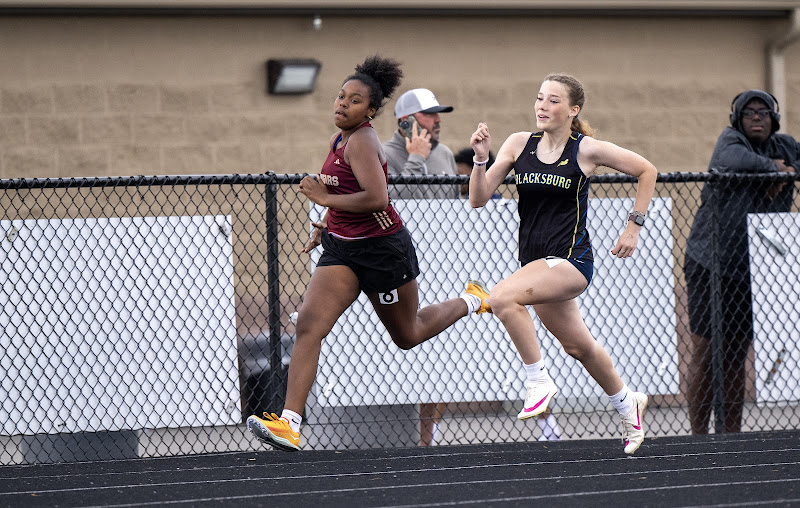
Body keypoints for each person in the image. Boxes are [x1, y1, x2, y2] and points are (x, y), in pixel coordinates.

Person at [246, 55, 491, 452]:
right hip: (342, 250)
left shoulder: (362, 140)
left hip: (382, 251)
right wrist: (328, 222)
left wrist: (324, 198)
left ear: (371, 112)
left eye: (355, 100)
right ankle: (289, 423)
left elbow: (377, 198)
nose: (343, 103)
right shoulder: (339, 139)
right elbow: (345, 190)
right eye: (341, 96)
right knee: (309, 324)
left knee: (408, 334)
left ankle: (472, 300)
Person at [468, 73, 658, 455]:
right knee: (578, 346)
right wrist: (480, 158)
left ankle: (538, 381)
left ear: (573, 110)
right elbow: (478, 198)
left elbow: (646, 170)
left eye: (553, 100)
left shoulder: (585, 149)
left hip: (571, 260)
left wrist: (633, 227)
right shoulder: (519, 143)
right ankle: (628, 403)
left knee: (502, 297)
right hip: (537, 263)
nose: (542, 106)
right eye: (540, 98)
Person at [684, 89, 798, 434]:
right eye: (749, 112)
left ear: (774, 119)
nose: (757, 117)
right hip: (711, 263)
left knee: (735, 354)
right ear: (738, 118)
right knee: (706, 352)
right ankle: (698, 437)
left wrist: (790, 169)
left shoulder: (784, 145)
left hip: (754, 270)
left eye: (764, 112)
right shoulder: (731, 141)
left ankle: (731, 437)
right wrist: (773, 170)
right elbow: (731, 159)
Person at [384, 88, 459, 199]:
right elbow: (390, 199)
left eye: (437, 113)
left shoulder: (445, 153)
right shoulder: (384, 155)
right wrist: (416, 157)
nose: (438, 119)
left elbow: (456, 202)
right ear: (406, 120)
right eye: (429, 114)